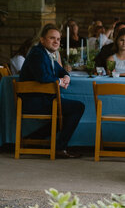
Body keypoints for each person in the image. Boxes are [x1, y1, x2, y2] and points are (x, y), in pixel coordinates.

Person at [19, 24, 85, 158]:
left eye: (58, 39)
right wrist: (60, 81)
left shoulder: (47, 53)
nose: (56, 42)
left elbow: (60, 70)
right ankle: (59, 148)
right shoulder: (37, 54)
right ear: (42, 40)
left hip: (43, 99)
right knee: (77, 108)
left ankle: (32, 139)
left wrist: (66, 76)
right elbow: (42, 77)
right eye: (52, 38)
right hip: (34, 101)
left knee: (67, 112)